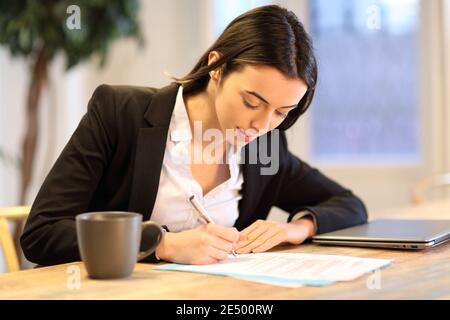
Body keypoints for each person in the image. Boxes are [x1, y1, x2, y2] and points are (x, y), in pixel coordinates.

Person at [20, 5, 367, 266]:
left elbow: (350, 205)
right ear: (217, 67)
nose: (261, 124)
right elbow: (42, 233)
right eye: (251, 101)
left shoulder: (266, 147)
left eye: (281, 112)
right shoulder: (119, 112)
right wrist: (161, 244)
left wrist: (295, 229)